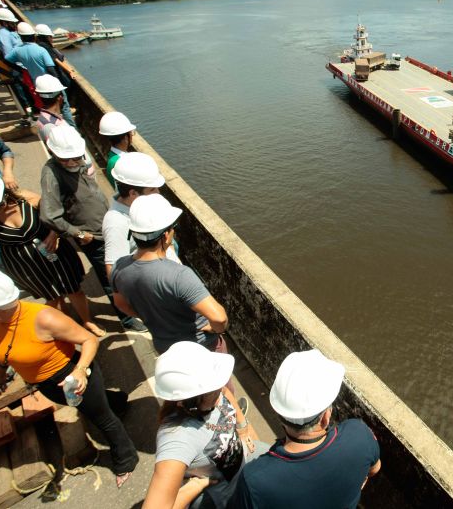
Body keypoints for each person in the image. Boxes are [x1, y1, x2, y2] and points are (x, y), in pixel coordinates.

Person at [0, 268, 138, 487]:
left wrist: (80, 370)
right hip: (47, 384)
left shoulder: (45, 318)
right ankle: (118, 402)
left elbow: (89, 340)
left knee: (104, 420)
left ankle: (126, 459)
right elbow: (4, 352)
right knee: (94, 406)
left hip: (71, 377)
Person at [228, 349, 381, 509]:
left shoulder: (254, 480)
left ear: (279, 414)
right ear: (325, 417)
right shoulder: (359, 435)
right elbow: (374, 468)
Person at [0, 170, 103, 336]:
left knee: (73, 289)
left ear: (4, 193)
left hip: (54, 252)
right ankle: (65, 325)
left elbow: (56, 216)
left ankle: (87, 321)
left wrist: (54, 233)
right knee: (52, 296)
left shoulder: (25, 198)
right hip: (25, 264)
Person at [39, 125, 145, 332]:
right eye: (65, 159)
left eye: (75, 158)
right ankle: (126, 318)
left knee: (126, 267)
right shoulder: (51, 173)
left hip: (107, 225)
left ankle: (133, 306)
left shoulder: (77, 162)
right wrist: (77, 233)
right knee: (111, 277)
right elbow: (50, 214)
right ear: (52, 152)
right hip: (93, 237)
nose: (72, 163)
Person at [143, 342, 266, 509]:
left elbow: (224, 391)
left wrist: (243, 426)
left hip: (244, 459)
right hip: (226, 493)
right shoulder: (176, 438)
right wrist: (194, 487)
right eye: (213, 390)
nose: (219, 389)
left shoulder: (210, 392)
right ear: (189, 402)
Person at [111, 194, 230, 357]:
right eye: (173, 228)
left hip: (165, 348)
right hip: (201, 349)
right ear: (166, 235)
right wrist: (216, 329)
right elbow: (219, 318)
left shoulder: (118, 267)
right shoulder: (179, 275)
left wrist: (151, 318)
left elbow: (120, 304)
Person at [103, 152, 179, 281]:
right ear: (133, 193)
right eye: (152, 189)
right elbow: (114, 273)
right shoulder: (116, 223)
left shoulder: (140, 205)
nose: (158, 193)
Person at [33, 75, 93, 175]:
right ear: (60, 98)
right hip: (79, 171)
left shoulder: (45, 119)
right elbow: (64, 155)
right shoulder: (52, 126)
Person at [98, 112, 137, 187]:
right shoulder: (122, 162)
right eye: (131, 133)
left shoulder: (112, 156)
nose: (132, 135)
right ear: (126, 138)